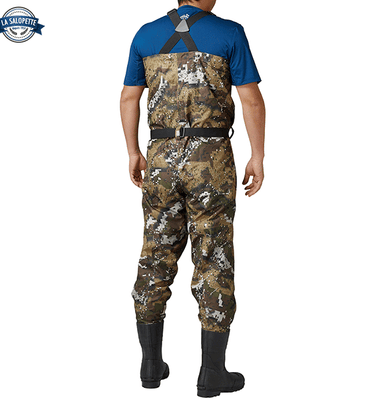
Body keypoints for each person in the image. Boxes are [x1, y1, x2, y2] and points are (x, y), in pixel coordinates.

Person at [120, 0, 265, 396]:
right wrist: (257, 154)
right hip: (211, 158)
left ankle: (150, 366)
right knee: (213, 257)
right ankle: (212, 373)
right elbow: (251, 98)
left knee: (155, 255)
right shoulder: (230, 32)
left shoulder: (145, 34)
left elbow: (129, 98)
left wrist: (133, 152)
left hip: (160, 159)